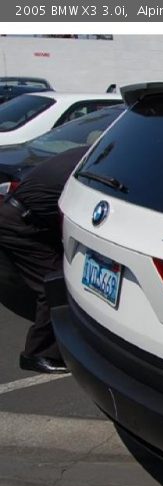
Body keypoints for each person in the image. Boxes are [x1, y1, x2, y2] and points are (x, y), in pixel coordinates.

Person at [0, 145, 88, 374]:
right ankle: (38, 353)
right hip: (21, 226)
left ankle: (66, 340)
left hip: (23, 219)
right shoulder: (91, 167)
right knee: (54, 285)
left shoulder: (86, 156)